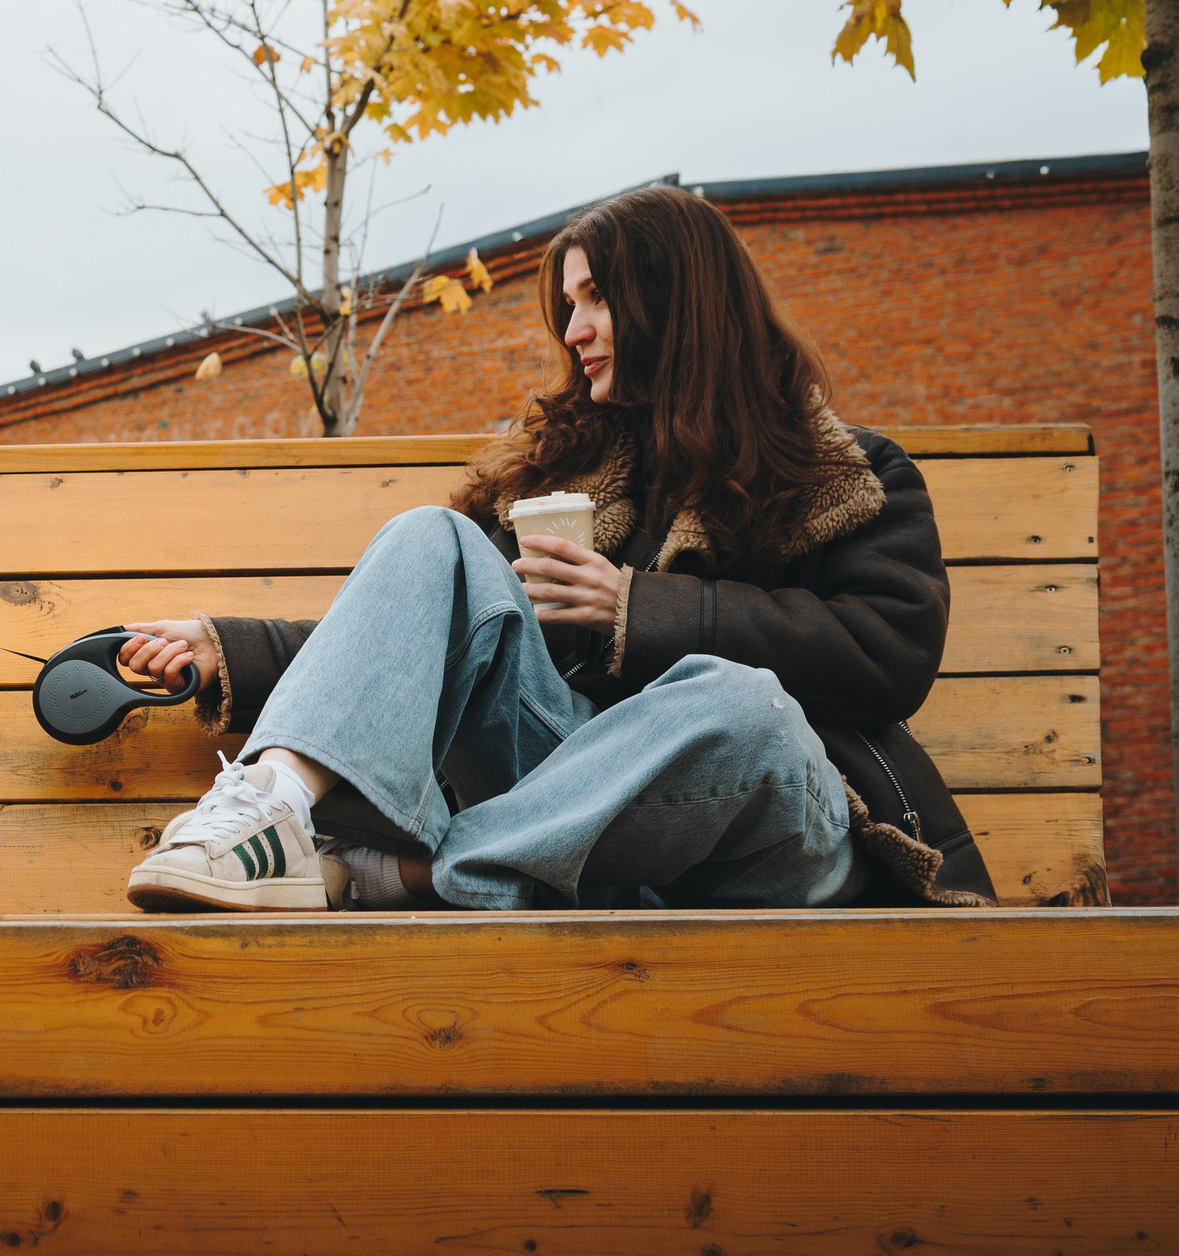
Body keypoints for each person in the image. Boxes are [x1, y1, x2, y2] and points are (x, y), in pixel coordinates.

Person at [115, 183, 997, 912]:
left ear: (678, 301)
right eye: (570, 305)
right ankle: (270, 819)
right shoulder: (561, 475)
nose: (572, 331)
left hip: (776, 834)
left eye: (597, 299)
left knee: (738, 703)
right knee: (435, 539)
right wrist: (230, 650)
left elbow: (891, 652)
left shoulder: (842, 471)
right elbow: (435, 632)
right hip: (582, 818)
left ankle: (404, 872)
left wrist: (637, 610)